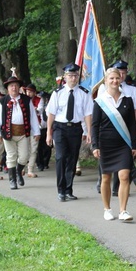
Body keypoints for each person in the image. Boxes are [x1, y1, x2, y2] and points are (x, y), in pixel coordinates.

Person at [92, 68, 136, 222]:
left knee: (124, 176)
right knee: (106, 177)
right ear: (106, 81)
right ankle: (107, 209)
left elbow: (132, 124)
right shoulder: (100, 101)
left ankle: (123, 210)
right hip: (105, 143)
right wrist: (95, 146)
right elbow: (95, 125)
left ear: (121, 79)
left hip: (123, 144)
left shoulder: (128, 100)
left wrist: (134, 145)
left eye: (117, 78)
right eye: (111, 78)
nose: (114, 81)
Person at [96, 59, 136, 194]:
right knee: (106, 170)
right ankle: (103, 182)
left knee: (124, 166)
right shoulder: (102, 89)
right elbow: (99, 111)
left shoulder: (132, 90)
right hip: (107, 132)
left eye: (122, 73)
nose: (120, 77)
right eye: (117, 74)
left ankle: (118, 188)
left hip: (125, 132)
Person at [46, 63, 93, 201]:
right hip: (60, 128)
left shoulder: (84, 93)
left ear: (78, 76)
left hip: (75, 128)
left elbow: (88, 114)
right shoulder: (57, 93)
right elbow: (51, 114)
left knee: (72, 159)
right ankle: (61, 189)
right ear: (65, 77)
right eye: (70, 75)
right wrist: (49, 132)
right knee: (60, 157)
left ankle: (68, 189)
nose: (73, 78)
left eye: (75, 75)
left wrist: (89, 132)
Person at [0, 74, 41, 190]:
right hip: (8, 133)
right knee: (11, 156)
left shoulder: (26, 100)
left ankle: (19, 172)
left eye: (15, 85)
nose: (13, 88)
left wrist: (36, 131)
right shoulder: (2, 101)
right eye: (11, 86)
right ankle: (12, 180)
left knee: (24, 157)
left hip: (23, 132)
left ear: (19, 87)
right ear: (8, 88)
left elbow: (33, 117)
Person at [24, 83, 42, 178]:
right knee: (24, 149)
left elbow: (40, 110)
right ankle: (22, 168)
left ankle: (30, 169)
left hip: (36, 127)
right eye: (27, 91)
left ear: (34, 93)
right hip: (24, 128)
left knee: (34, 149)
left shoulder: (39, 100)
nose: (28, 93)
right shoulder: (22, 101)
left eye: (30, 91)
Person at [36, 91, 52, 172]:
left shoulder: (50, 105)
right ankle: (40, 164)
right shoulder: (39, 106)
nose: (43, 99)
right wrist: (41, 100)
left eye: (45, 98)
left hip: (47, 128)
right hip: (39, 128)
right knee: (39, 148)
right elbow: (39, 109)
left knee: (47, 147)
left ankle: (46, 163)